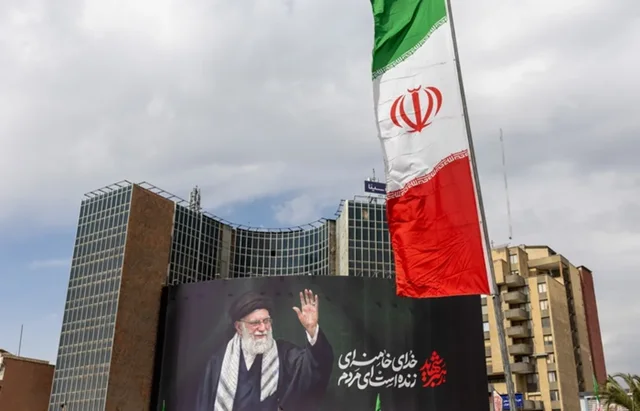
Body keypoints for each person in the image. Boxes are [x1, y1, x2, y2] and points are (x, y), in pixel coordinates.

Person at [195, 289, 334, 411]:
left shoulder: (284, 354)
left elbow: (314, 366)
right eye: (255, 323)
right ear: (239, 327)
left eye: (266, 321)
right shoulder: (218, 363)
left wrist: (312, 329)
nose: (263, 328)